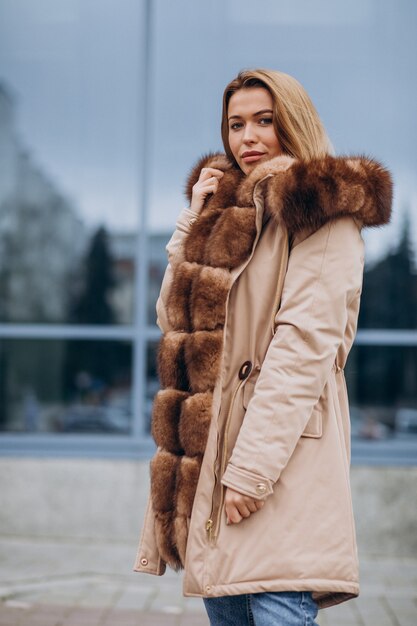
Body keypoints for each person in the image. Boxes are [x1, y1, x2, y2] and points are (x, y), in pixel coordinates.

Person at [134, 68, 393, 625]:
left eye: (264, 121)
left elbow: (303, 350)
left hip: (277, 462)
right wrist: (193, 222)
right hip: (218, 459)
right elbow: (172, 320)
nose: (246, 137)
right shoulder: (230, 218)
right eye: (235, 124)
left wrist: (250, 472)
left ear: (293, 125)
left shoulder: (324, 211)